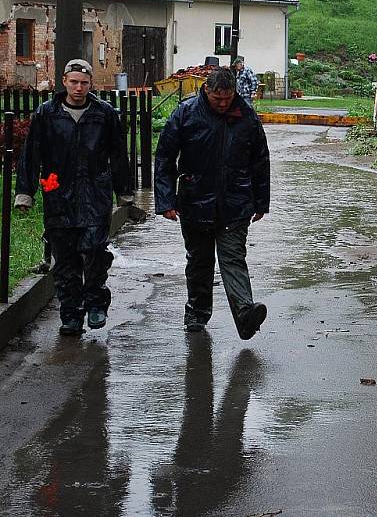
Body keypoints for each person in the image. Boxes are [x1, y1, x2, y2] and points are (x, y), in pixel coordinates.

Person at [15, 59, 133, 336]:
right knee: (65, 259)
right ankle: (70, 314)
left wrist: (123, 191)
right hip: (58, 192)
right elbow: (31, 154)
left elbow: (117, 153)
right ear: (64, 82)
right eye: (74, 82)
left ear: (91, 85)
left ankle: (95, 304)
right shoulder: (47, 113)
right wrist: (25, 192)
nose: (78, 88)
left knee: (94, 251)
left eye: (84, 83)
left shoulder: (103, 114)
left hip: (95, 192)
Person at [154, 67, 270, 340]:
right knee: (200, 260)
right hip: (195, 200)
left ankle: (245, 314)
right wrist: (165, 199)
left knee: (233, 258)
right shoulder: (186, 113)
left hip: (236, 201)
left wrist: (261, 202)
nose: (222, 103)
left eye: (227, 98)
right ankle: (197, 311)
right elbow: (165, 157)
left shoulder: (246, 116)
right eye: (218, 98)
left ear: (234, 93)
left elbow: (260, 161)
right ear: (206, 90)